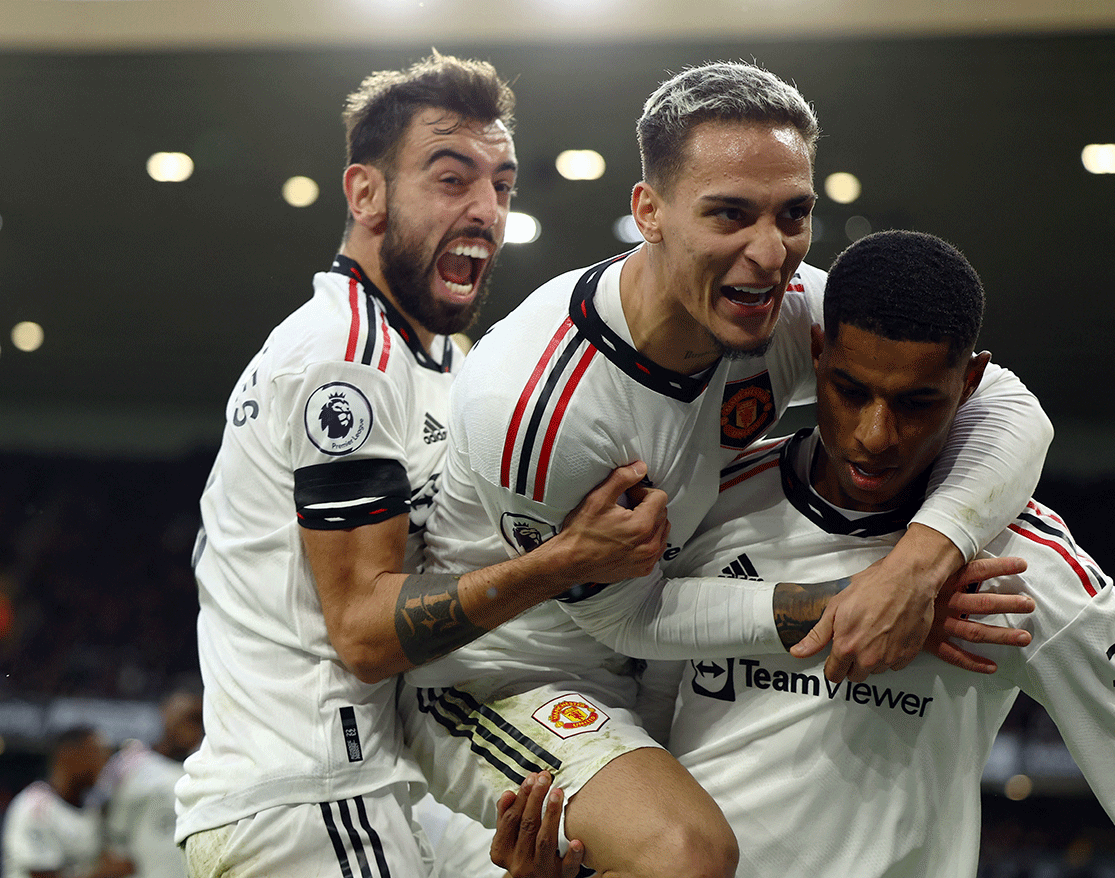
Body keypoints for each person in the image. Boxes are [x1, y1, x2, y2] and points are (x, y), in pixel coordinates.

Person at [401, 61, 1053, 877]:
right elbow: (623, 619)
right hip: (508, 679)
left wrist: (920, 565)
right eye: (730, 215)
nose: (770, 252)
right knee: (685, 855)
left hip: (654, 676)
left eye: (795, 214)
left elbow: (1009, 404)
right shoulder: (540, 412)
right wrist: (842, 606)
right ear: (650, 213)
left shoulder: (782, 309)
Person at [175, 53, 667, 877]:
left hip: (361, 789)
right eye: (451, 179)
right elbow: (366, 633)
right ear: (365, 194)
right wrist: (566, 562)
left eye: (502, 186)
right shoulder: (347, 354)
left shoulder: (436, 357)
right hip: (313, 798)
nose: (486, 210)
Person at [645, 229, 1115, 877]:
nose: (875, 436)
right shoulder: (709, 500)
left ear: (970, 382)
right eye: (851, 391)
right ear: (818, 356)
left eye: (916, 402)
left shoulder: (1030, 568)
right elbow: (638, 711)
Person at [1, 726, 135, 878]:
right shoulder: (36, 807)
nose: (104, 763)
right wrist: (108, 872)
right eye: (97, 754)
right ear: (68, 755)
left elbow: (108, 859)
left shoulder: (93, 808)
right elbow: (41, 875)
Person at [98, 690, 204, 878]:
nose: (188, 727)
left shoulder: (205, 771)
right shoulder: (130, 763)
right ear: (165, 713)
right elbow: (101, 824)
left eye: (197, 721)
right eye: (185, 718)